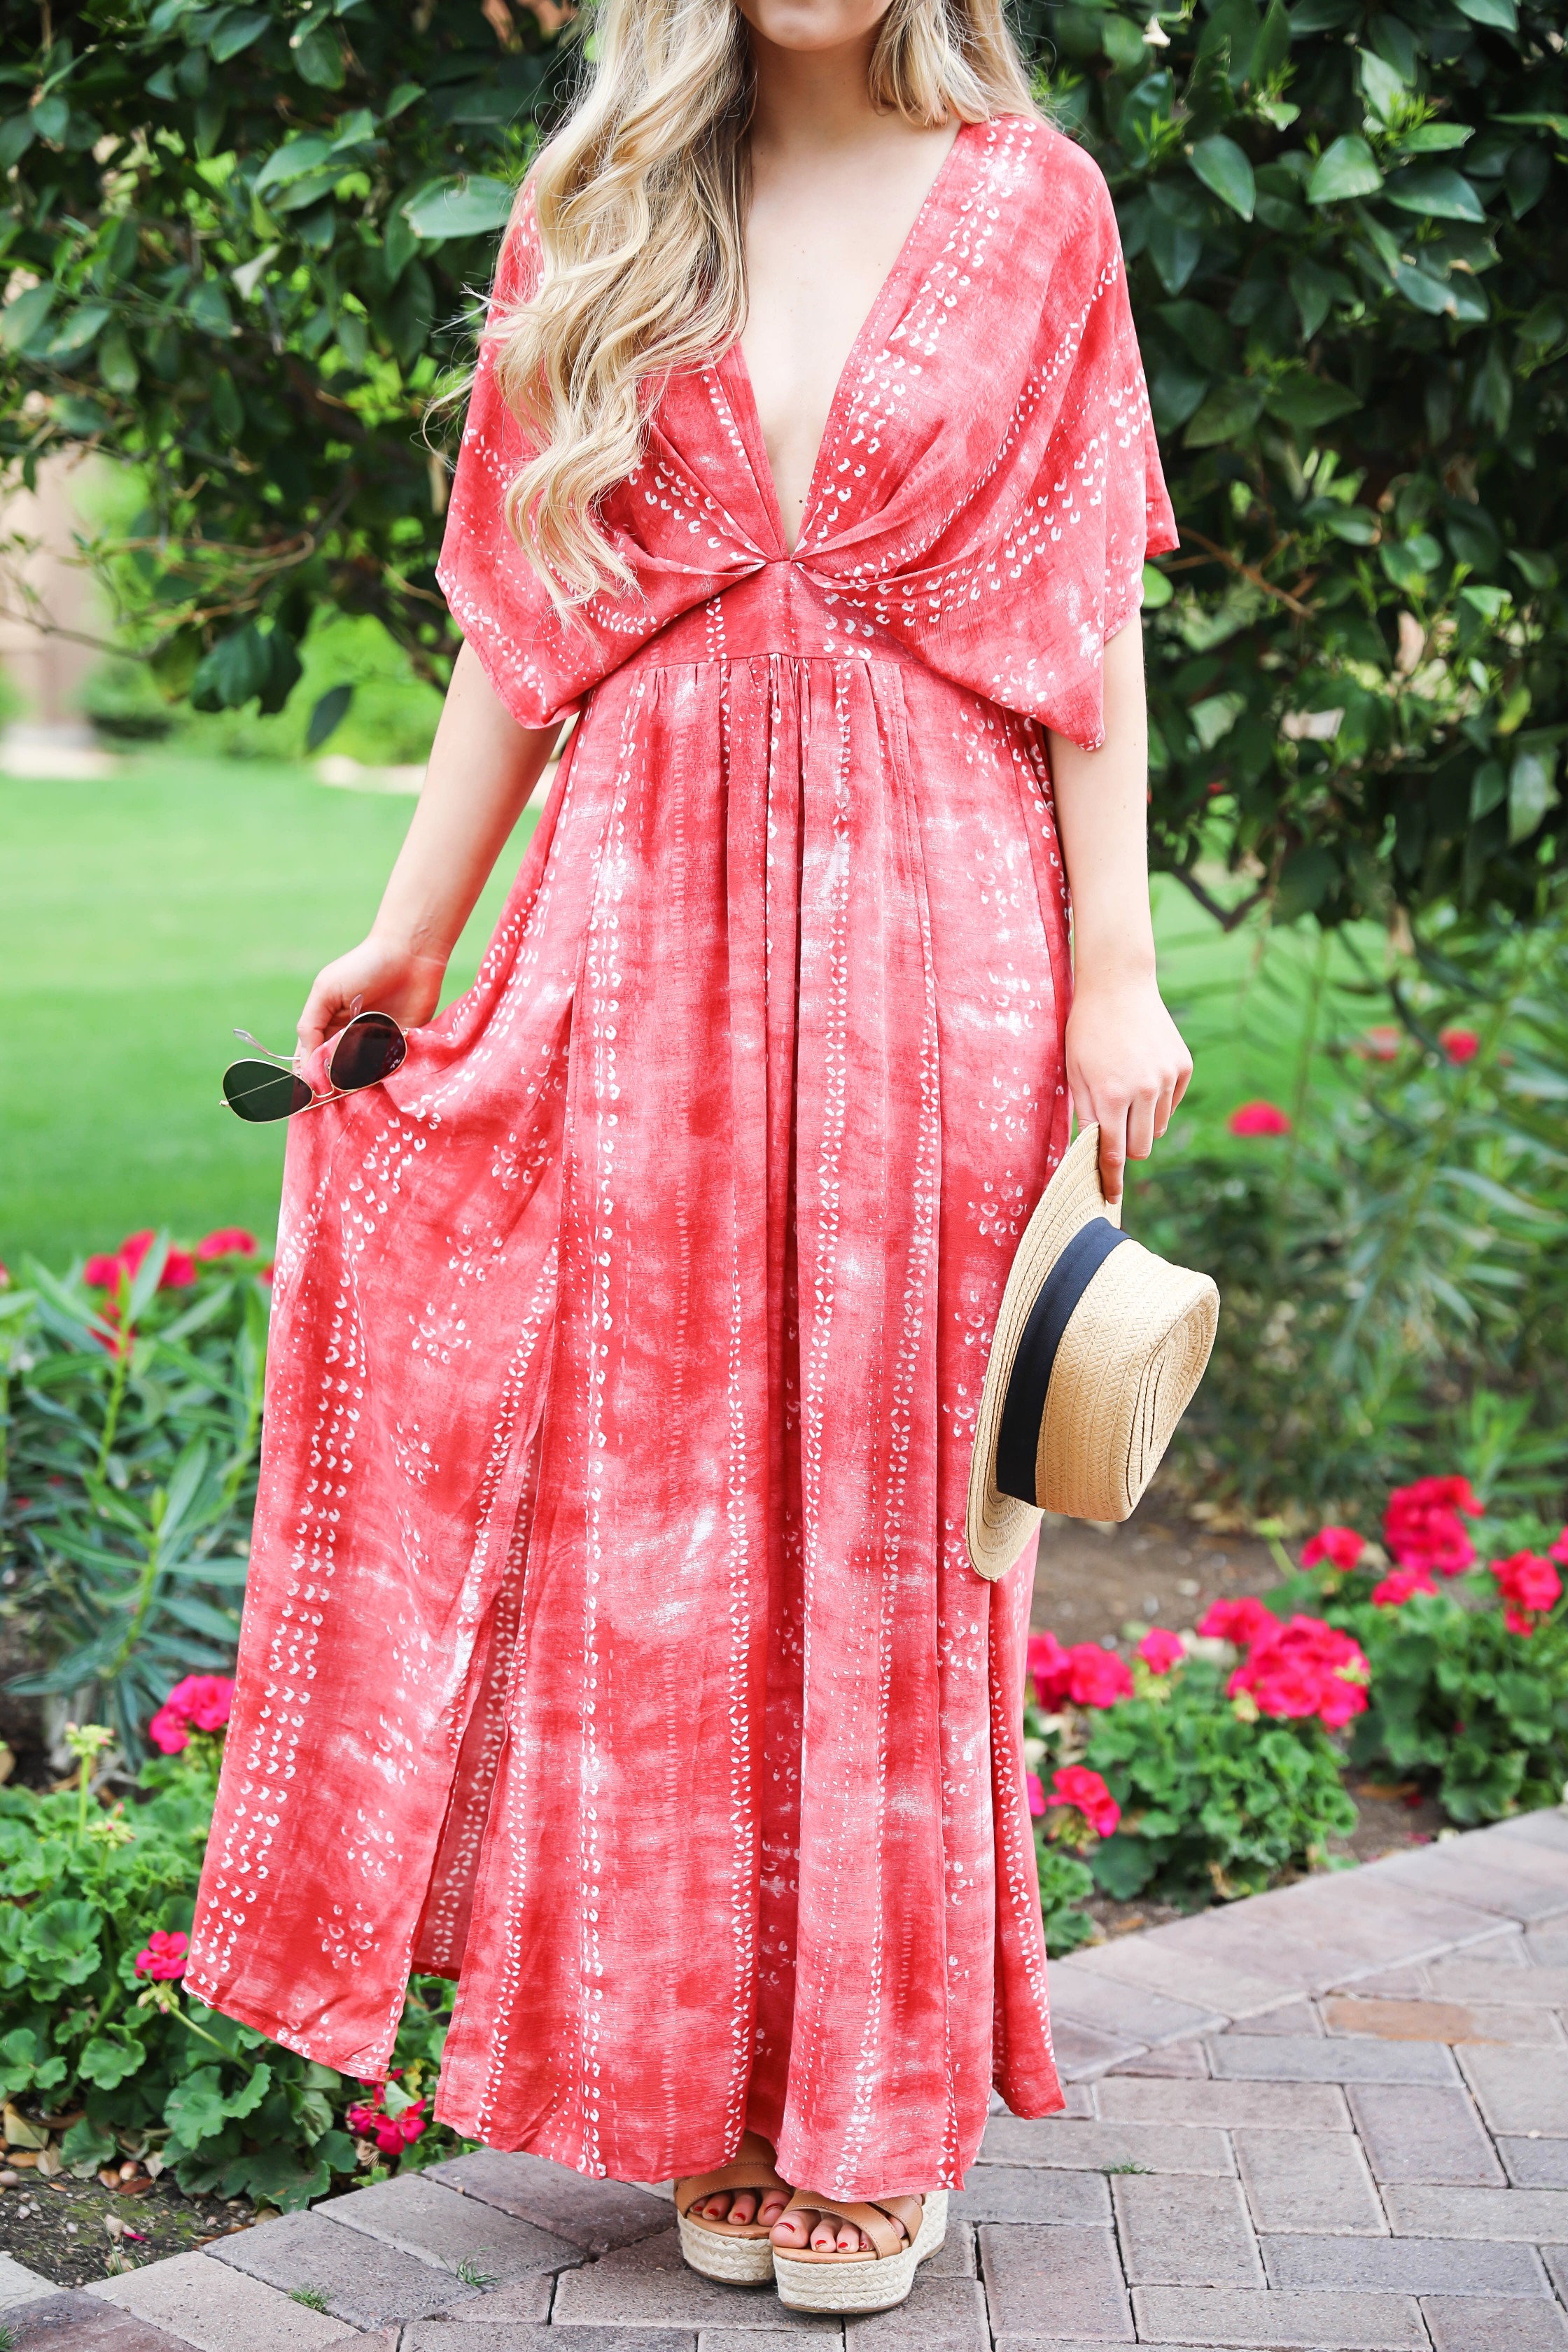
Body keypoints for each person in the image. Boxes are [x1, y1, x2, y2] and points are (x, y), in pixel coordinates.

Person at [188, 0, 1191, 2316]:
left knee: (894, 1521)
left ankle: (868, 2107)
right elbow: (519, 626)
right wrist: (410, 925)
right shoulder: (604, 204)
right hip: (637, 913)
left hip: (941, 915)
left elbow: (1091, 617)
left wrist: (1116, 963)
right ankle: (704, 2096)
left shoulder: (1040, 205)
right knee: (652, 1510)